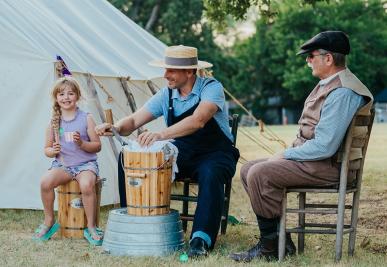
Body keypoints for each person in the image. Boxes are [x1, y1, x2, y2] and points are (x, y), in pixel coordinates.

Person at [229, 31, 373, 262]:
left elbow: (325, 146)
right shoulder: (330, 84)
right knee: (248, 170)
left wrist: (285, 154)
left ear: (328, 59)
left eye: (311, 56)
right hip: (315, 162)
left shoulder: (343, 91)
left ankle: (270, 249)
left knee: (258, 173)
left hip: (327, 166)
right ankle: (280, 243)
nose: (307, 61)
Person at [95, 45, 239, 257]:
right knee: (129, 157)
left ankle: (201, 239)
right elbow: (134, 120)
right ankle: (135, 222)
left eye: (171, 70)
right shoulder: (166, 95)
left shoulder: (211, 88)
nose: (165, 75)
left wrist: (160, 135)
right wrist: (115, 127)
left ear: (189, 72)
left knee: (211, 172)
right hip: (182, 154)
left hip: (217, 154)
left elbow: (198, 121)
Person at [32, 76, 103, 245]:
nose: (66, 97)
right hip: (63, 165)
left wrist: (82, 143)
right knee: (45, 182)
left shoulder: (86, 118)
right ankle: (49, 220)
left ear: (77, 96)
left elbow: (97, 146)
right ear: (56, 98)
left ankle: (91, 226)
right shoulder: (53, 122)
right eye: (61, 94)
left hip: (85, 164)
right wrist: (53, 151)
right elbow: (47, 149)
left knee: (86, 185)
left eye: (70, 93)